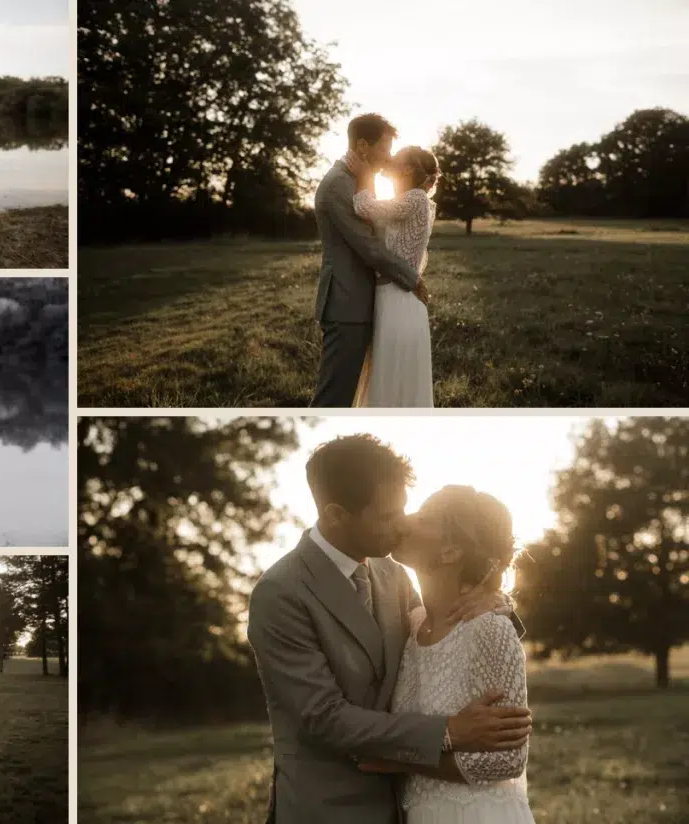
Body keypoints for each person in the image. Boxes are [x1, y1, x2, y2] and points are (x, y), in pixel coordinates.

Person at [247, 435, 531, 824]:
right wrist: (448, 731)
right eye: (387, 516)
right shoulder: (281, 593)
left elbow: (445, 627)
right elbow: (323, 717)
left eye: (404, 509)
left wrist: (495, 597)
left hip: (408, 806)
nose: (402, 524)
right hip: (330, 809)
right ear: (336, 515)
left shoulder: (392, 573)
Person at [372, 486, 536, 823]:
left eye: (423, 518)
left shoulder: (490, 629)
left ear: (450, 552)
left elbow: (507, 760)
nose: (405, 521)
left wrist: (400, 759)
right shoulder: (411, 624)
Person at [311, 114, 424, 408]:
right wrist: (412, 278)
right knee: (334, 399)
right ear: (363, 146)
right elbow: (369, 247)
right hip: (346, 304)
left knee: (349, 395)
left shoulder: (356, 180)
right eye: (385, 148)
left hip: (359, 302)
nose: (388, 157)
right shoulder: (338, 184)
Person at [349, 146, 439, 407]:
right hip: (390, 296)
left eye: (397, 157)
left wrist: (365, 176)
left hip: (399, 299)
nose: (390, 159)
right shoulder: (404, 200)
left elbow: (362, 206)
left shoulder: (416, 199)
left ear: (408, 168)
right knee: (385, 373)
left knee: (393, 375)